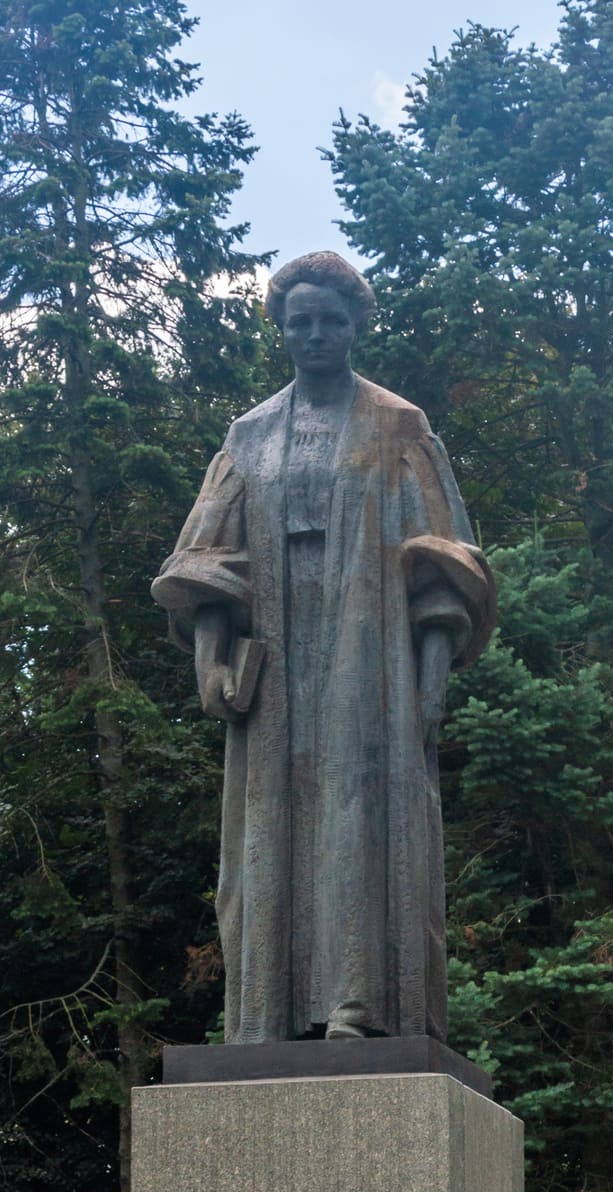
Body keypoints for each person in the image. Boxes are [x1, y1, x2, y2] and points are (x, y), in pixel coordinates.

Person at [152, 251, 496, 1044]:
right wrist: (213, 658)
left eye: (330, 320)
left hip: (368, 650)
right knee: (268, 828)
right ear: (280, 328)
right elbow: (207, 559)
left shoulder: (397, 427)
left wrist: (431, 678)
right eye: (299, 321)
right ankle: (263, 1018)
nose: (315, 334)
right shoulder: (248, 436)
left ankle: (358, 1007)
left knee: (360, 814)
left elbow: (444, 562)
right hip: (275, 656)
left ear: (356, 325)